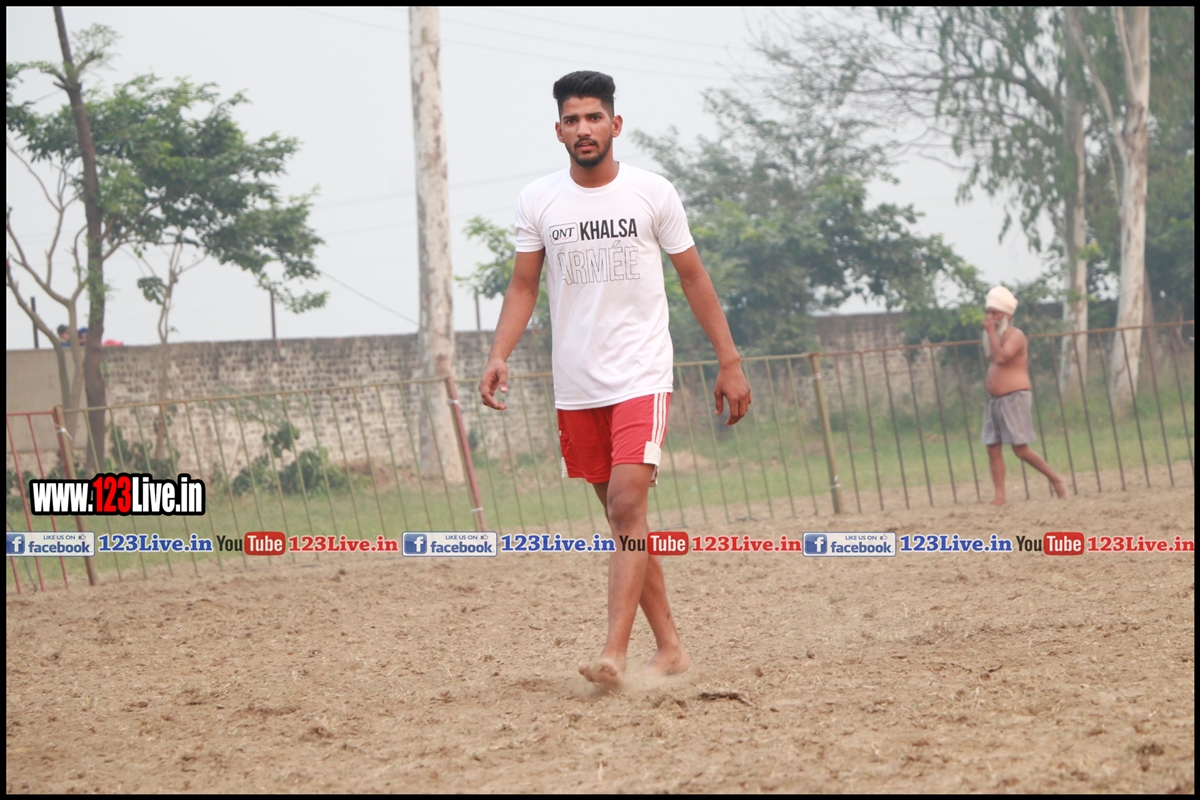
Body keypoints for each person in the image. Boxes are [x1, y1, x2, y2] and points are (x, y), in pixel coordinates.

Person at [479, 71, 751, 689]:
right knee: (625, 520)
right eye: (572, 120)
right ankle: (672, 648)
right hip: (577, 385)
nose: (584, 129)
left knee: (628, 505)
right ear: (558, 131)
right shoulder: (538, 200)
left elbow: (693, 277)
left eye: (594, 117)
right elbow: (523, 286)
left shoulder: (652, 193)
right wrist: (499, 354)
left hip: (641, 374)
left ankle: (614, 653)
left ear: (615, 125)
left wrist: (729, 360)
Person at [981, 286, 1067, 504]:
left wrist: (990, 333)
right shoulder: (996, 337)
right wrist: (991, 334)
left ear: (1007, 314)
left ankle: (1056, 479)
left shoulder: (1016, 335)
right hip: (995, 400)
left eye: (995, 313)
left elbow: (1002, 358)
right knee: (992, 447)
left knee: (1020, 449)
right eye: (989, 312)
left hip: (1014, 398)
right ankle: (1000, 495)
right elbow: (992, 356)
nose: (991, 317)